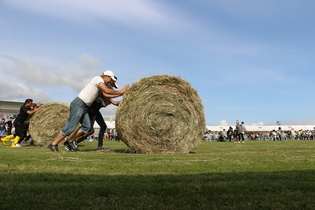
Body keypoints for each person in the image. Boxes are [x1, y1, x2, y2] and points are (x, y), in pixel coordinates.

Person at [47, 70, 129, 152]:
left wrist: (121, 94)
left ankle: (69, 141)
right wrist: (120, 91)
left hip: (84, 106)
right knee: (70, 127)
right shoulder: (98, 79)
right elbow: (107, 91)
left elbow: (105, 95)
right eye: (111, 80)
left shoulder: (101, 83)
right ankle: (53, 144)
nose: (110, 82)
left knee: (87, 127)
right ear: (107, 76)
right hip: (79, 104)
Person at [65, 77, 121, 151]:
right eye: (113, 83)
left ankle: (98, 145)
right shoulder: (106, 86)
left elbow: (112, 101)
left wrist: (121, 99)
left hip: (95, 110)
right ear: (111, 81)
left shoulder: (107, 86)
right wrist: (121, 93)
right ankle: (71, 141)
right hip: (92, 109)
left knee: (102, 127)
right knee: (90, 130)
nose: (113, 86)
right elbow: (109, 97)